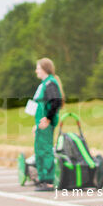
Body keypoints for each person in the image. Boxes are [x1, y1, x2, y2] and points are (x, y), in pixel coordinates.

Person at [28, 58, 64, 191]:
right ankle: (43, 180)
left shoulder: (50, 83)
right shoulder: (44, 83)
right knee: (40, 150)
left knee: (45, 150)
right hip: (41, 124)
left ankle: (48, 182)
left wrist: (48, 119)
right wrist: (37, 125)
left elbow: (56, 102)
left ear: (44, 68)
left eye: (37, 67)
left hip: (46, 123)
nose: (36, 70)